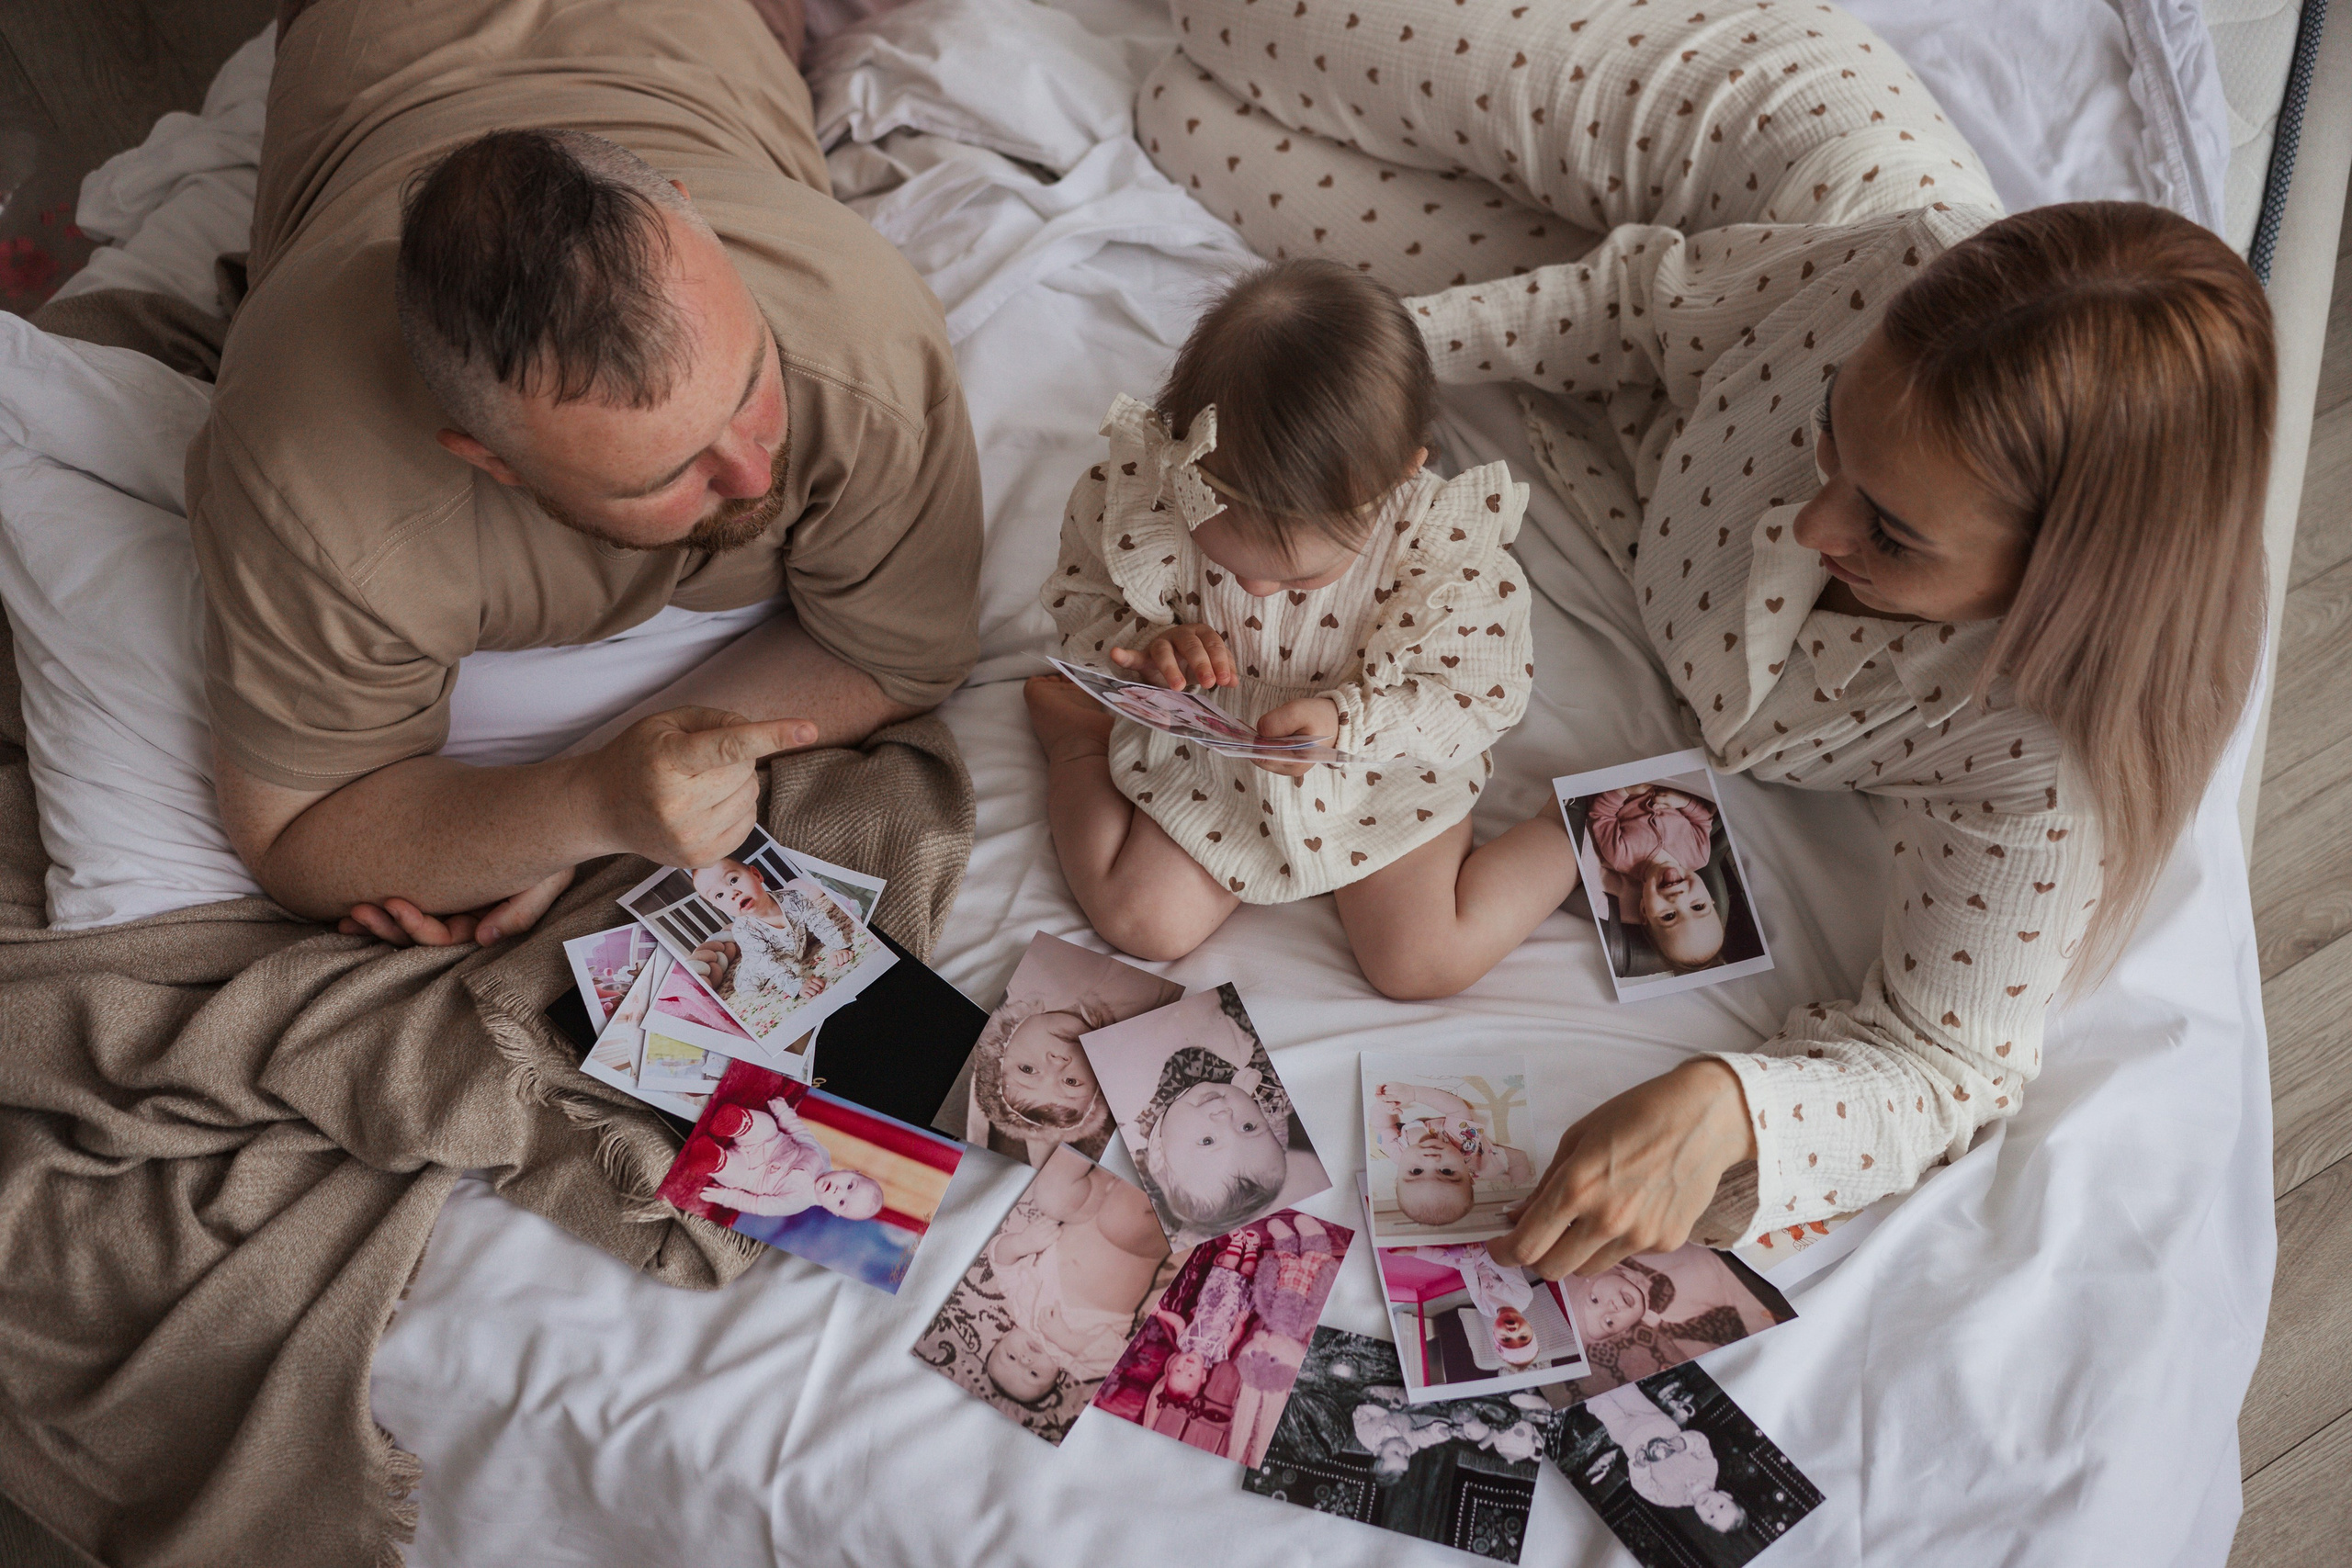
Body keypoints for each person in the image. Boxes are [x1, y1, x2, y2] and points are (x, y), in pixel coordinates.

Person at [1151, 0, 2273, 1272]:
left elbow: (1947, 1059)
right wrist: (1357, 405)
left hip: (1671, 356)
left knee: (1180, 124)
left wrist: (1733, 1104)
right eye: (1831, 431)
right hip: (1746, 141)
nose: (1809, 523)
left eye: (1891, 532)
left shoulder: (2045, 752)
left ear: (2059, 583)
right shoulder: (1882, 279)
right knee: (1221, 25)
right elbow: (1630, 307)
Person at [198, 0, 983, 950]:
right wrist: (582, 805)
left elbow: (898, 656)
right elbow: (294, 833)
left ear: (693, 216)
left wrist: (587, 795)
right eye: (667, 474)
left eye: (750, 387)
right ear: (490, 460)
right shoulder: (316, 490)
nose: (751, 472)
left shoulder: (859, 335)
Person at [1028, 259, 1579, 998]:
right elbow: (1087, 596)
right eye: (1227, 562)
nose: (1254, 590)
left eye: (1295, 580)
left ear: (1397, 480)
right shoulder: (1159, 496)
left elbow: (1476, 692)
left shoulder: (1437, 553)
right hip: (1216, 749)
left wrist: (1349, 721)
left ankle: (1569, 831)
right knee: (1141, 920)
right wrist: (1153, 642)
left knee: (1421, 963)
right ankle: (1076, 739)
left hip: (1376, 761)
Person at [981, 1154, 1170, 1409]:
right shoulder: (1079, 1364)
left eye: (1011, 1356)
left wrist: (1022, 1243)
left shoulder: (1018, 1306)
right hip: (1132, 1247)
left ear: (1002, 1338)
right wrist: (1067, 1339)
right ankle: (1141, 1161)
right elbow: (1120, 1359)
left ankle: (1092, 1148)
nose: (1025, 1360)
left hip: (1083, 1213)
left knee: (1051, 1196)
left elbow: (999, 1260)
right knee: (1123, 1218)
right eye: (1033, 1374)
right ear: (1058, 1378)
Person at [1128, 999, 1322, 1245]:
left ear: (1158, 1154)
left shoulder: (1130, 1118)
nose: (1225, 1116)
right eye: (1247, 1127)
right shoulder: (1258, 1080)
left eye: (1208, 1141)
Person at [1229, 1213, 1342, 1466]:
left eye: (1256, 1354)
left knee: (1281, 1271)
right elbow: (1319, 1297)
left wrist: (1268, 1272)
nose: (1263, 1349)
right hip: (1304, 1290)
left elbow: (1264, 1291)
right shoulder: (1305, 1325)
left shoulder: (1268, 1319)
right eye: (1271, 1359)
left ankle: (1286, 1244)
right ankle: (1314, 1241)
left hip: (1283, 1287)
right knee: (1314, 1268)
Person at [1585, 784, 1728, 973]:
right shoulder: (1700, 855)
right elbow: (1703, 820)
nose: (1678, 898)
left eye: (1669, 916)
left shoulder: (1621, 857)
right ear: (1710, 898)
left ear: (1644, 911)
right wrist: (1684, 802)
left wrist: (1625, 791)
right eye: (1698, 907)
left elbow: (1601, 814)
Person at [683, 1094, 886, 1221]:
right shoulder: (821, 1155)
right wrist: (784, 1113)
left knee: (734, 1175)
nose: (837, 1191)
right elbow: (800, 1133)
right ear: (851, 1171)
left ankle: (714, 1159)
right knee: (767, 1125)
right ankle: (736, 1123)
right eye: (849, 1185)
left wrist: (725, 1197)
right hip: (768, 1142)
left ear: (834, 1211)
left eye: (841, 1202)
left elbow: (758, 1205)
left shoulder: (797, 1203)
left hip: (749, 1174)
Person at [967, 998, 1121, 1164]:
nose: (1058, 1062)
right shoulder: (1122, 1029)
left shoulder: (1024, 990)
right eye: (1071, 1081)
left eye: (1028, 1069)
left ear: (1002, 1042)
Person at [1586, 1383, 1747, 1533]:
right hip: (1654, 1419)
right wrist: (1683, 1443)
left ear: (1703, 1521)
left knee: (1600, 1405)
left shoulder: (1672, 1499)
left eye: (1711, 1516)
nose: (1711, 1507)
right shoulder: (1710, 1469)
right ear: (1726, 1495)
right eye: (1721, 1506)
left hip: (1629, 1439)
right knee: (1623, 1390)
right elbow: (1700, 1442)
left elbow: (1644, 1487)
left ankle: (1584, 1385)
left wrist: (1640, 1466)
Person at [1374, 1080, 1535, 1229]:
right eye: (1446, 1171)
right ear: (1469, 1177)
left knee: (1503, 1172)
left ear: (1397, 1177)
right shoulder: (1461, 1142)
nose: (1432, 1160)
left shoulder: (1397, 1153)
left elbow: (1382, 1128)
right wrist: (1414, 1093)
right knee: (1518, 1158)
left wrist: (1383, 1108)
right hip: (1483, 1158)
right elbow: (1456, 1108)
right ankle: (1519, 1181)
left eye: (1417, 1171)